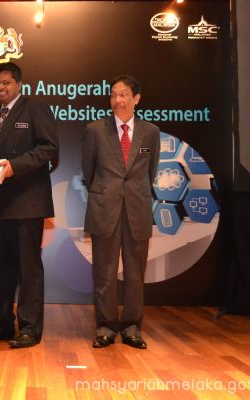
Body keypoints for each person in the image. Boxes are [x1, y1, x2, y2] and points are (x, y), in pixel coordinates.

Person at [0, 62, 58, 348]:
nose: (1, 88)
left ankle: (30, 328)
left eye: (6, 83)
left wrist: (15, 166)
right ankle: (2, 325)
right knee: (2, 269)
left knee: (28, 269)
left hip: (27, 203)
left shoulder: (35, 109)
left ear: (19, 84)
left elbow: (49, 148)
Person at [82, 74, 160, 350]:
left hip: (137, 209)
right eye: (114, 94)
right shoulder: (95, 130)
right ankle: (105, 326)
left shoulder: (151, 132)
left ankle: (132, 327)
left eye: (124, 94)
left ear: (136, 99)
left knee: (135, 274)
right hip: (105, 208)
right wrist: (107, 193)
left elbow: (150, 172)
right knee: (104, 273)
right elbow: (88, 172)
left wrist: (132, 192)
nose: (118, 99)